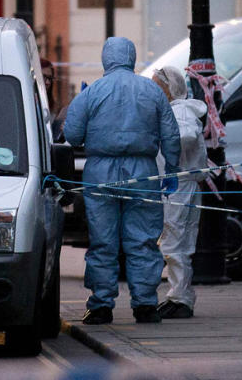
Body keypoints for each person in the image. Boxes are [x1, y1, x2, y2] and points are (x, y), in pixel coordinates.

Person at [63, 37, 180, 324]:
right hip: (143, 171)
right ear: (131, 57)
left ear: (106, 58)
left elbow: (73, 135)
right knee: (142, 240)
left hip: (100, 171)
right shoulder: (151, 91)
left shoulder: (92, 93)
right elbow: (171, 136)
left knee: (103, 241)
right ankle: (145, 305)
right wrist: (172, 170)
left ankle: (101, 305)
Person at [151, 65, 207, 319]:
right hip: (180, 185)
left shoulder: (180, 111)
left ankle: (180, 298)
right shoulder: (175, 110)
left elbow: (187, 136)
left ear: (169, 89)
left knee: (174, 243)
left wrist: (161, 137)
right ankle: (179, 295)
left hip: (180, 185)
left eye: (157, 86)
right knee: (179, 243)